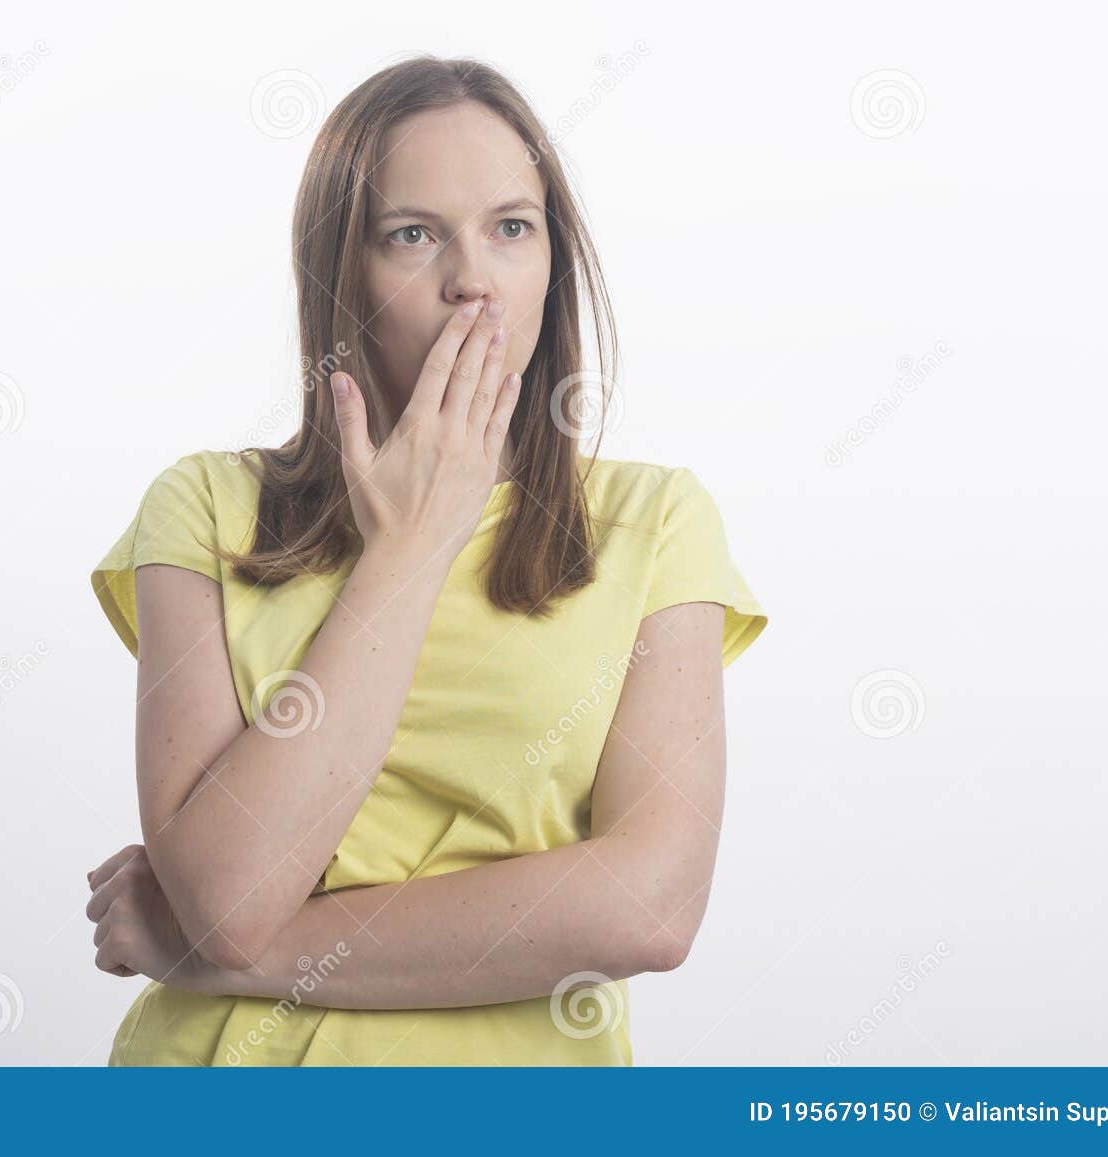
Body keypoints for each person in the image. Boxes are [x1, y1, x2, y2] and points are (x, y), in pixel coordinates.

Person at [82, 55, 769, 1066]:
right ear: (341, 274)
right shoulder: (206, 507)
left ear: (552, 261)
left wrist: (213, 959)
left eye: (511, 227)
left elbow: (646, 908)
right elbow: (229, 899)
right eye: (412, 234)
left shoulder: (654, 521)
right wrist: (408, 547)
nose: (471, 280)